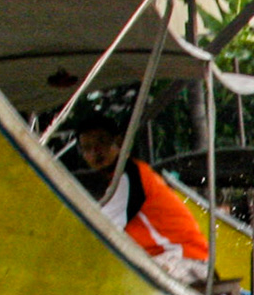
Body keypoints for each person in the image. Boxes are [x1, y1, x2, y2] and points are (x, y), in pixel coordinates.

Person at [75, 117, 213, 285]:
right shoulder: (123, 178)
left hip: (185, 261)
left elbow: (99, 228)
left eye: (102, 142)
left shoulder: (130, 176)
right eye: (87, 148)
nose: (96, 152)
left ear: (118, 142)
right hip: (176, 260)